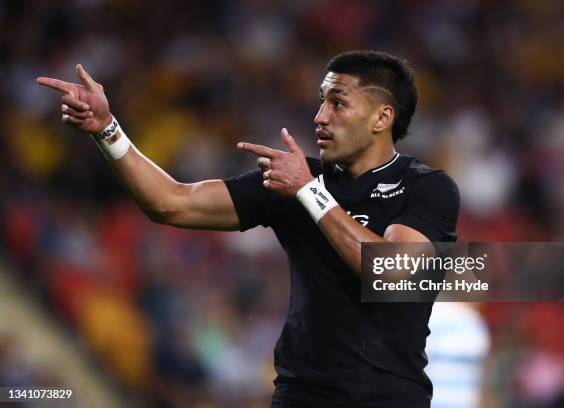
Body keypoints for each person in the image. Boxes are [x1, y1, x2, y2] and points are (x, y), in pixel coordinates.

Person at [37, 51, 460, 407]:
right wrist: (108, 132)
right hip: (299, 394)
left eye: (337, 102)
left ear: (382, 117)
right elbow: (172, 203)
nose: (320, 116)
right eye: (320, 101)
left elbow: (390, 271)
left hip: (386, 397)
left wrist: (309, 194)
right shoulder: (294, 179)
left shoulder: (426, 188)